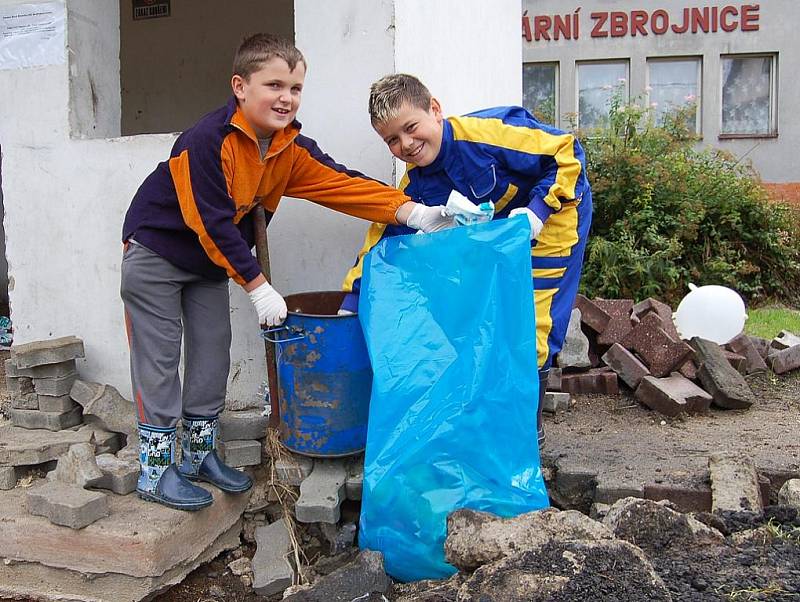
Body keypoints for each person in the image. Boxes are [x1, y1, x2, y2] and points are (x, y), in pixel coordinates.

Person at [121, 36, 450, 511]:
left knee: (213, 354)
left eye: (295, 88)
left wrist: (410, 211)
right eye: (274, 84)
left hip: (210, 264)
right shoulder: (204, 143)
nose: (286, 97)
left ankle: (196, 456)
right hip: (156, 254)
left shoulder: (286, 147)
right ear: (240, 86)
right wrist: (257, 287)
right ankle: (155, 471)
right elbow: (210, 223)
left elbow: (342, 183)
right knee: (158, 360)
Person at [341, 74, 593, 446]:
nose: (406, 144)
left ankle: (526, 434)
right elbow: (380, 242)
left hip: (554, 221)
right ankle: (491, 416)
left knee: (532, 323)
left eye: (411, 128)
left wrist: (537, 211)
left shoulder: (485, 135)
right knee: (487, 320)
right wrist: (351, 300)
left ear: (435, 110)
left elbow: (566, 152)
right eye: (392, 139)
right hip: (499, 238)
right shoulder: (417, 184)